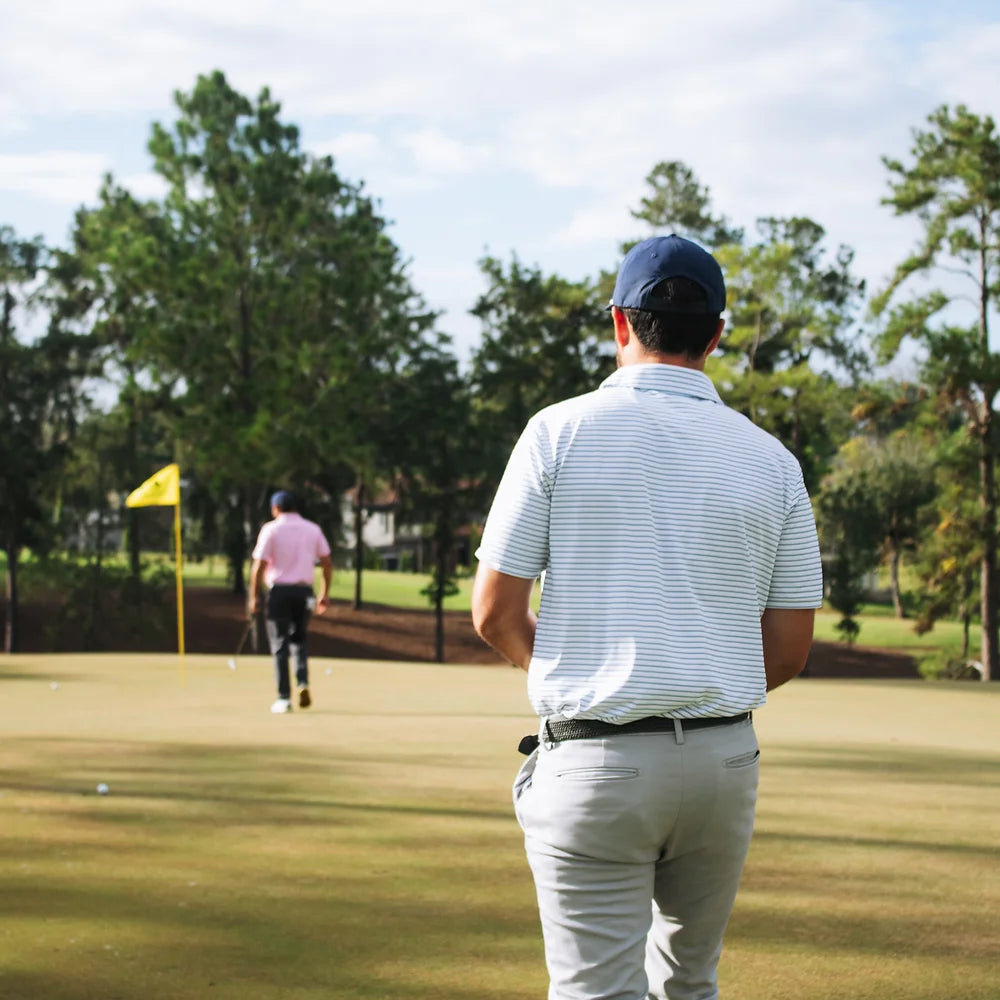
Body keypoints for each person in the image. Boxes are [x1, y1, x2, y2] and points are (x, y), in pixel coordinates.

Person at [471, 234, 823, 1000]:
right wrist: (698, 682)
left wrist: (587, 673)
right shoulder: (773, 461)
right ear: (717, 335)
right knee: (690, 986)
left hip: (595, 761)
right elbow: (790, 647)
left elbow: (495, 612)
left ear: (619, 322)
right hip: (723, 765)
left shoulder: (556, 432)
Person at [249, 490, 332, 714]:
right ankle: (302, 682)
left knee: (279, 644)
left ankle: (284, 697)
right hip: (304, 593)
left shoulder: (271, 529)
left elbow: (259, 566)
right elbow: (326, 562)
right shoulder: (312, 529)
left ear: (276, 508)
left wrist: (254, 596)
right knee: (299, 640)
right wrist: (324, 593)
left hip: (279, 592)